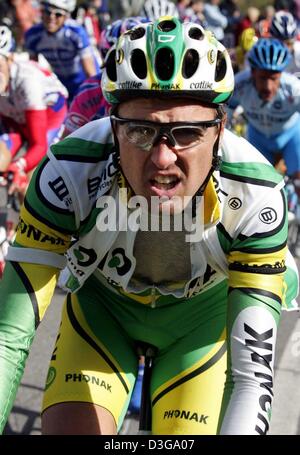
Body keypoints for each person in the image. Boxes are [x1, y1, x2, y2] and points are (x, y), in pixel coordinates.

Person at [0, 17, 298, 436]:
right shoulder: (66, 173)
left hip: (198, 328)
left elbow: (252, 379)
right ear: (112, 125)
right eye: (140, 130)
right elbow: (7, 339)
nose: (162, 159)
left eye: (188, 132)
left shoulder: (257, 196)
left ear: (220, 129)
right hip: (105, 314)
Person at [0, 25, 68, 195]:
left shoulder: (28, 80)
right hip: (15, 120)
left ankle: (26, 220)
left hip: (49, 119)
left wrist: (19, 166)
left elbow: (39, 145)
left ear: (9, 60)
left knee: (30, 182)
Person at [229, 38, 300, 182]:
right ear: (253, 72)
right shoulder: (239, 85)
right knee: (257, 184)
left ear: (281, 74)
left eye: (274, 78)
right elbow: (225, 113)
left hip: (290, 136)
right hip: (258, 137)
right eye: (262, 78)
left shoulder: (293, 89)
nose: (268, 86)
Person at [24, 0, 98, 103]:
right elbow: (33, 70)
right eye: (47, 12)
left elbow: (90, 72)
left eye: (58, 14)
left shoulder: (76, 33)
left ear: (66, 16)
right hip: (61, 82)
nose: (51, 17)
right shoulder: (32, 35)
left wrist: (95, 92)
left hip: (83, 80)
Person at [269, 10, 300, 78]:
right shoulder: (266, 54)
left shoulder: (298, 51)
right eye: (280, 43)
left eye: (289, 43)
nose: (285, 48)